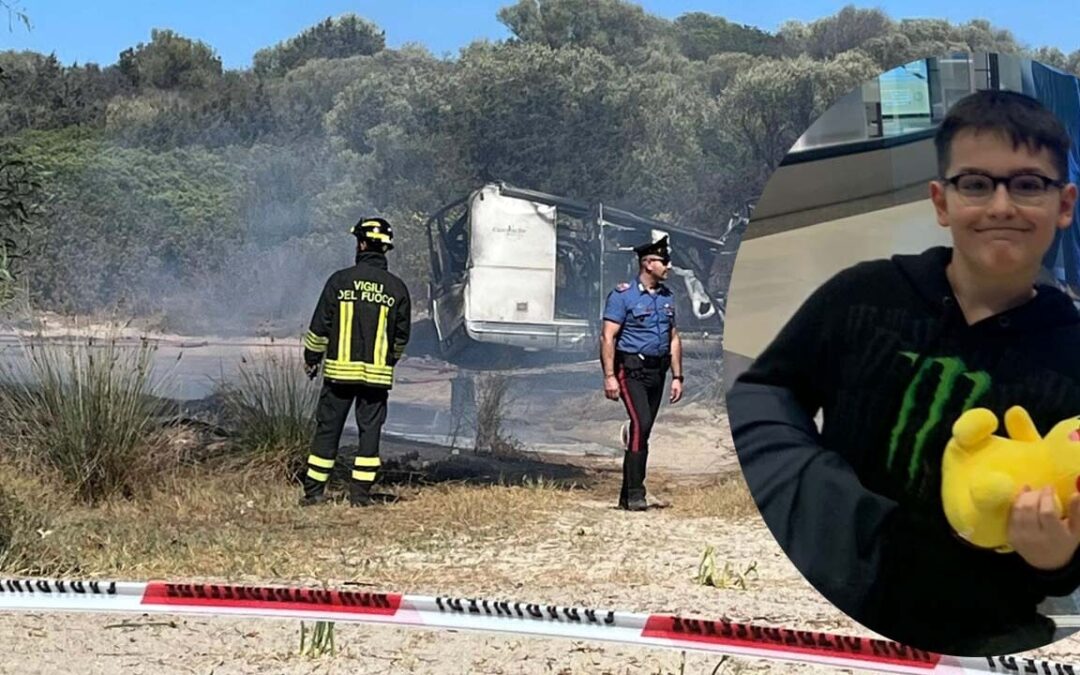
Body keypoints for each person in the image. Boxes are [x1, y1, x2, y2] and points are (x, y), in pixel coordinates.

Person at [727, 88, 1080, 655]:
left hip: (989, 638)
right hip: (834, 618)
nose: (1001, 206)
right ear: (941, 202)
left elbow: (1066, 564)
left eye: (1028, 183)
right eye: (975, 183)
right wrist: (813, 488)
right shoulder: (862, 295)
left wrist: (1056, 560)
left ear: (1064, 204)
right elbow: (767, 390)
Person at [299, 217, 412, 507]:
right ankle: (360, 494)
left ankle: (314, 494)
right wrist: (389, 361)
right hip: (376, 377)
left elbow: (320, 326)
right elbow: (401, 337)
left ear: (361, 244)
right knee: (369, 432)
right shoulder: (397, 289)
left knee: (328, 429)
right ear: (386, 249)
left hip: (338, 375)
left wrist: (312, 358)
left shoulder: (340, 280)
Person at [600, 235, 685, 511]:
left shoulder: (667, 297)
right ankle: (637, 492)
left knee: (643, 431)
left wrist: (677, 377)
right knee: (642, 424)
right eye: (664, 261)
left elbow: (673, 338)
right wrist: (610, 376)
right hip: (631, 370)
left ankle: (627, 495)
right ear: (648, 264)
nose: (668, 267)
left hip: (657, 371)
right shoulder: (623, 296)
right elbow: (608, 337)